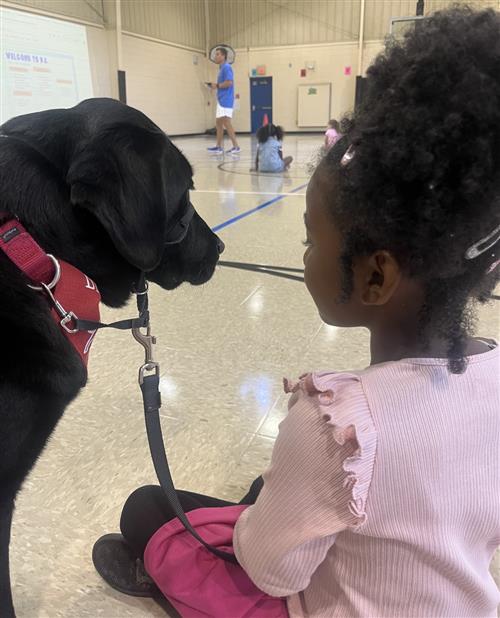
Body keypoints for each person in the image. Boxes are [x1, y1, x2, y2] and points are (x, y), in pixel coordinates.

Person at [93, 7, 500, 617]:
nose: (304, 253)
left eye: (312, 240)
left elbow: (273, 573)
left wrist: (271, 515)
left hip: (315, 600)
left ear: (375, 276)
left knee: (147, 513)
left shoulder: (335, 426)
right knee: (271, 494)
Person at [207, 47, 240, 155]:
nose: (215, 56)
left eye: (217, 54)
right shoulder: (221, 69)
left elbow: (229, 83)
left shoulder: (226, 67)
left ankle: (236, 146)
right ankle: (218, 147)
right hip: (221, 99)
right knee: (218, 123)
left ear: (223, 56)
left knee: (226, 122)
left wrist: (216, 85)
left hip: (226, 99)